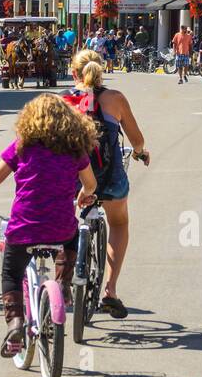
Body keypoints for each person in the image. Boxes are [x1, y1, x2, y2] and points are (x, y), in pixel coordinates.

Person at [0, 94, 97, 358]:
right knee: (70, 240)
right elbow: (91, 184)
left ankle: (15, 323)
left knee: (11, 272)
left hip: (24, 228)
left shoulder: (22, 147)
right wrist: (83, 195)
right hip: (61, 226)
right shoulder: (75, 150)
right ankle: (63, 286)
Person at [59, 49, 146, 317]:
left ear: (74, 72)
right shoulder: (115, 99)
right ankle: (110, 289)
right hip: (108, 175)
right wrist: (141, 152)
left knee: (62, 221)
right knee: (118, 222)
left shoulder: (64, 101)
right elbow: (136, 140)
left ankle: (63, 283)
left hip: (71, 176)